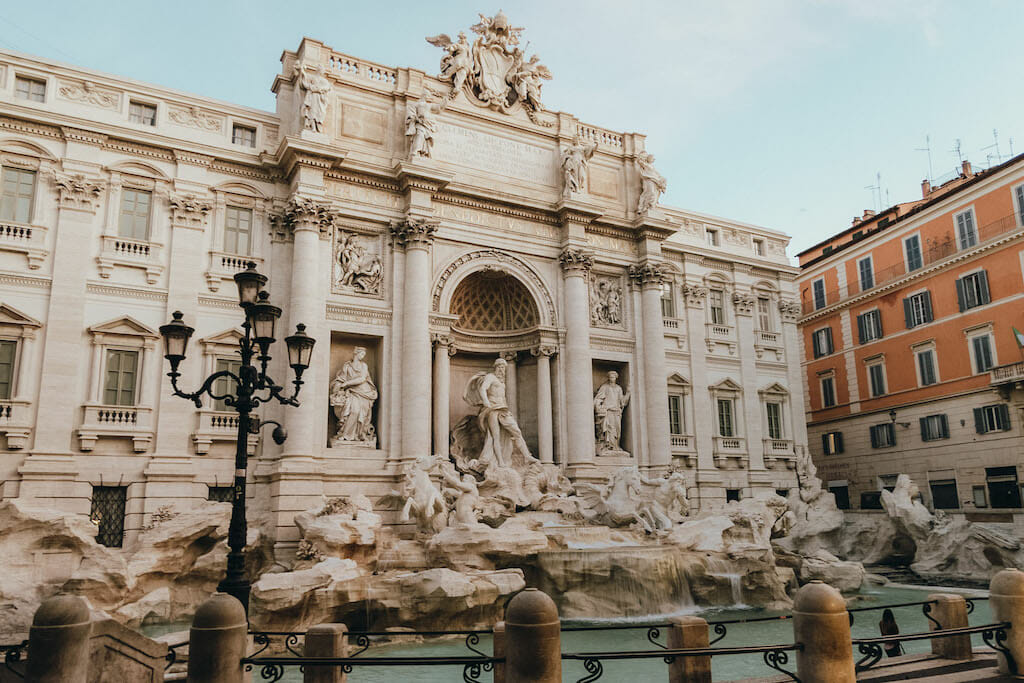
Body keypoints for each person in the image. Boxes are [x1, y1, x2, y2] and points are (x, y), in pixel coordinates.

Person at [462, 358, 533, 467]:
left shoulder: (502, 382)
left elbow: (503, 397)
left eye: (503, 368)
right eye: (500, 367)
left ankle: (527, 456)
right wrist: (486, 402)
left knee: (517, 432)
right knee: (495, 437)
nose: (502, 370)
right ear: (495, 368)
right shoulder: (491, 377)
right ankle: (500, 462)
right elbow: (482, 388)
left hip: (503, 409)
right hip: (492, 410)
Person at [330, 347, 378, 443]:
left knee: (362, 416)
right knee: (354, 411)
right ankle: (346, 435)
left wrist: (347, 383)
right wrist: (338, 385)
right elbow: (341, 378)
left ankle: (359, 434)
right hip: (352, 392)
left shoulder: (364, 365)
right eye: (361, 354)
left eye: (364, 355)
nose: (362, 356)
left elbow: (362, 379)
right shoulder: (347, 366)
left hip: (364, 392)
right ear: (356, 353)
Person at [593, 371, 630, 454]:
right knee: (609, 429)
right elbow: (598, 398)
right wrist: (598, 406)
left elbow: (623, 402)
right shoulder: (604, 387)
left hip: (616, 411)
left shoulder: (618, 388)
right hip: (608, 411)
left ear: (616, 378)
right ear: (608, 378)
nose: (612, 378)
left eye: (613, 377)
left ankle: (616, 446)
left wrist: (628, 392)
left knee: (617, 430)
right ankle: (609, 446)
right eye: (610, 377)